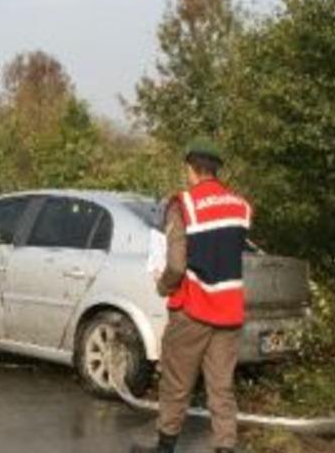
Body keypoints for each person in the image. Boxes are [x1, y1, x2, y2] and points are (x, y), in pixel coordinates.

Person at [133, 137, 252, 453]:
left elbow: (175, 264)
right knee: (221, 387)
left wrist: (164, 286)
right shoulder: (240, 206)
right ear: (215, 169)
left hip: (193, 308)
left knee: (176, 383)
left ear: (191, 168)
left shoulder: (182, 205)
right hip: (229, 309)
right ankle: (225, 446)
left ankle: (165, 446)